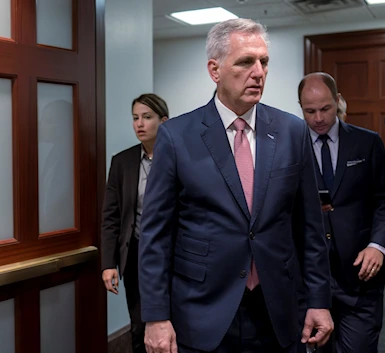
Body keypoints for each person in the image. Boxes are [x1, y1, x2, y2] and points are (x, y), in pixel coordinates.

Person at [138, 19, 333, 353]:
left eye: (264, 62)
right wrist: (156, 316)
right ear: (215, 70)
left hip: (277, 308)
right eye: (245, 62)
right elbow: (155, 235)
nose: (258, 72)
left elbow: (309, 228)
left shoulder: (291, 131)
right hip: (203, 308)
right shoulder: (177, 136)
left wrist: (319, 300)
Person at [298, 72, 385, 353]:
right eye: (309, 111)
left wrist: (378, 246)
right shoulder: (290, 148)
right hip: (310, 279)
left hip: (360, 278)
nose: (318, 118)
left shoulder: (368, 143)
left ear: (338, 101)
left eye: (325, 109)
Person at [100, 93, 169, 353]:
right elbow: (111, 216)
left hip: (172, 253)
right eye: (135, 118)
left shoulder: (177, 157)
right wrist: (109, 264)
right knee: (140, 325)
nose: (139, 124)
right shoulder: (122, 162)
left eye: (147, 117)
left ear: (163, 121)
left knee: (175, 324)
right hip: (136, 254)